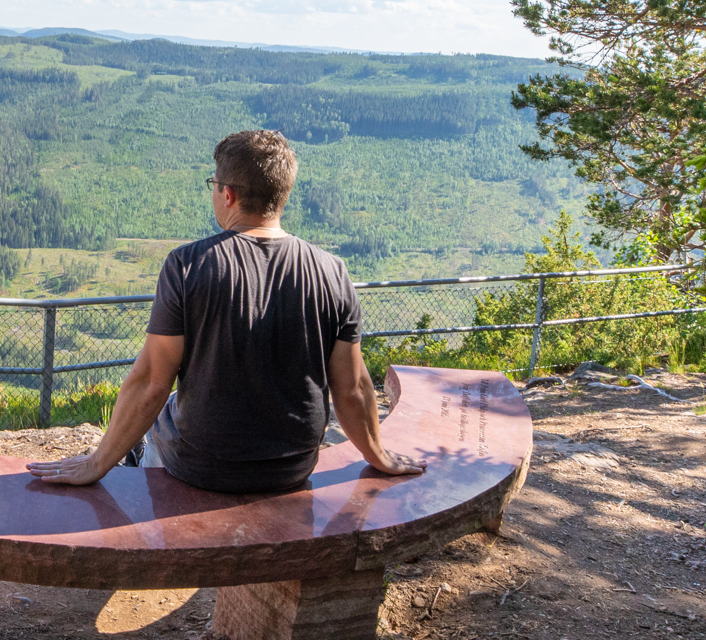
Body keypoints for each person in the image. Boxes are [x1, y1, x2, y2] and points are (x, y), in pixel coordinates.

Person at [27, 129, 423, 493]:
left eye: (213, 185)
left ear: (228, 194)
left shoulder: (186, 265)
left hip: (200, 467)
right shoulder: (333, 272)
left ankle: (134, 468)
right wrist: (379, 456)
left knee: (164, 412)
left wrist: (96, 463)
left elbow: (150, 383)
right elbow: (353, 389)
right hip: (292, 467)